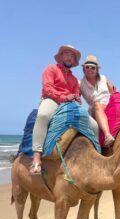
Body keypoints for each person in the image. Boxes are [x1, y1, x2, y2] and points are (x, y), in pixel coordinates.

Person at [29, 44, 82, 175]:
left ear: (74, 61)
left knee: (93, 125)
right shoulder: (51, 68)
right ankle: (36, 157)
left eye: (72, 56)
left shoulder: (74, 79)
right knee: (43, 115)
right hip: (52, 100)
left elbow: (77, 95)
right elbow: (48, 89)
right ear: (61, 56)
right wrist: (64, 97)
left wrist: (75, 98)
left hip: (69, 104)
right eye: (67, 54)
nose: (69, 57)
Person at [79, 55, 115, 147]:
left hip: (109, 104)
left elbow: (112, 92)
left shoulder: (104, 78)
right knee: (97, 105)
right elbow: (77, 99)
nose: (90, 69)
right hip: (95, 109)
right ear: (84, 69)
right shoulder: (80, 84)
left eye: (93, 67)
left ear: (96, 69)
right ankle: (107, 135)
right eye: (87, 67)